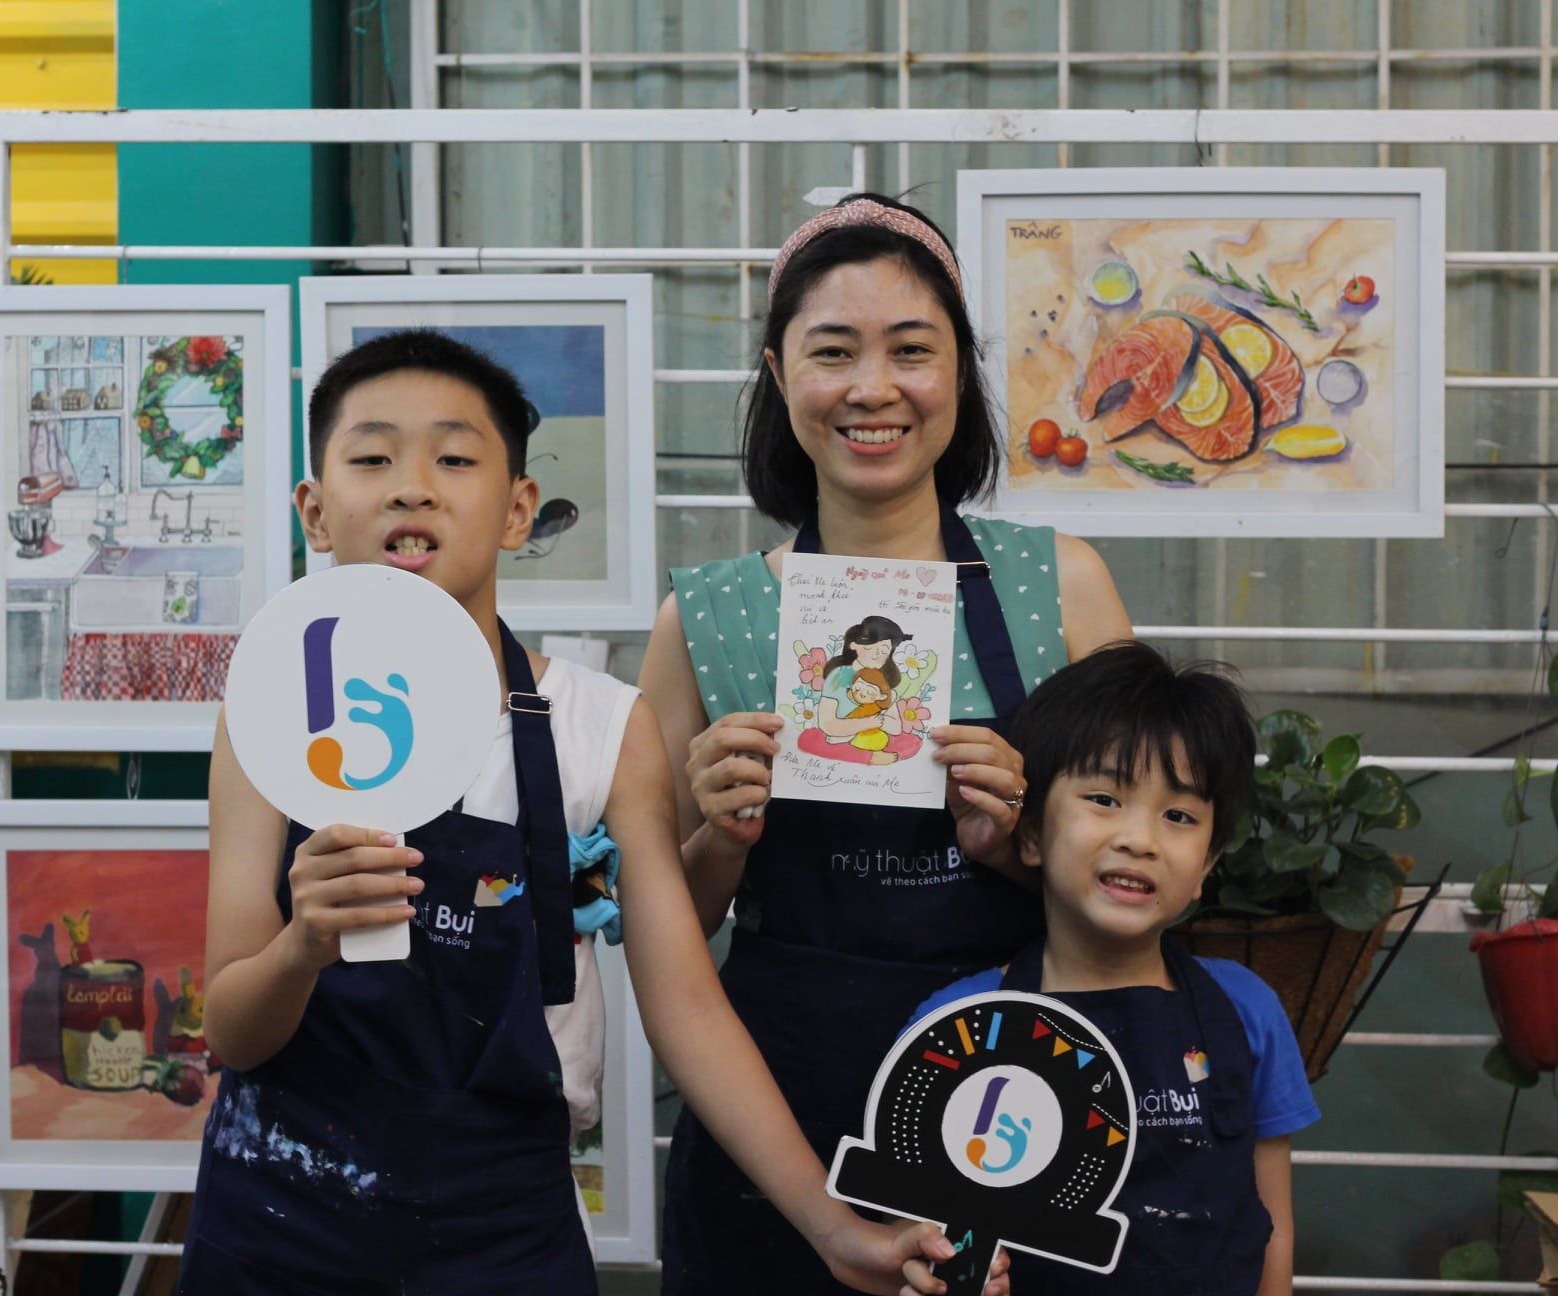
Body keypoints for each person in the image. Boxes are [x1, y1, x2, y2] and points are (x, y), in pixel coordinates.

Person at [178, 329, 968, 1295]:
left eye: (454, 460)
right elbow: (232, 1032)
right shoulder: (268, 715)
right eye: (373, 458)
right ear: (314, 508)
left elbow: (685, 1006)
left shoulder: (601, 727)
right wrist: (304, 944)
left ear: (518, 510)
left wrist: (832, 1227)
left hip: (503, 1225)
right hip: (277, 1218)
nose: (411, 488)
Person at [639, 191, 1133, 1293]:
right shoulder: (706, 619)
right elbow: (664, 929)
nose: (873, 388)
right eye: (833, 352)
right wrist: (720, 838)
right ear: (779, 376)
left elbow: (1146, 885)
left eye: (912, 349)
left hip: (1015, 1112)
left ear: (960, 371)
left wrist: (1024, 844)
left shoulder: (1062, 586)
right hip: (775, 1122)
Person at [910, 642, 1319, 1295]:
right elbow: (929, 1236)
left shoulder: (1248, 1010)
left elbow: (1274, 1228)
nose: (1139, 839)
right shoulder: (957, 1026)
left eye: (1179, 815)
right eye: (1103, 798)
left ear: (1208, 865)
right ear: (1032, 833)